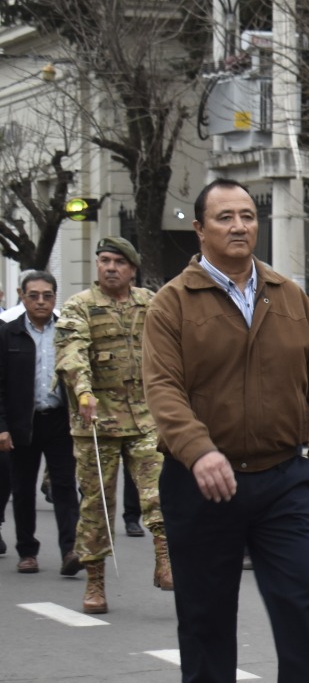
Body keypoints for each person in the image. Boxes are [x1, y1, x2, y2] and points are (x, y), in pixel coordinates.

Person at [142, 177, 309, 683]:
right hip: (202, 482)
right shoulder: (172, 304)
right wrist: (199, 450)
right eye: (225, 217)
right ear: (199, 229)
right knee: (206, 616)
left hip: (283, 480)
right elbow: (163, 390)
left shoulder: (290, 297)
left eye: (248, 216)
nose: (239, 226)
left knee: (303, 603)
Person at [55, 235, 171, 613]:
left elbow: (172, 348)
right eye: (104, 260)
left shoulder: (150, 303)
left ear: (132, 269)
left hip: (144, 417)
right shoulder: (79, 306)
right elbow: (72, 353)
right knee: (97, 504)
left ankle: (165, 559)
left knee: (159, 491)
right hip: (96, 420)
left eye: (118, 262)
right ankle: (95, 582)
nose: (110, 268)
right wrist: (83, 392)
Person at [0, 270, 81, 576]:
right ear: (22, 297)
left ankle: (70, 550)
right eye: (33, 296)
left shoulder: (66, 331)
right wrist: (2, 426)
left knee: (64, 486)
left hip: (60, 420)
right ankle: (27, 551)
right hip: (23, 422)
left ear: (55, 297)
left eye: (47, 296)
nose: (41, 301)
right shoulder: (8, 334)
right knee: (23, 489)